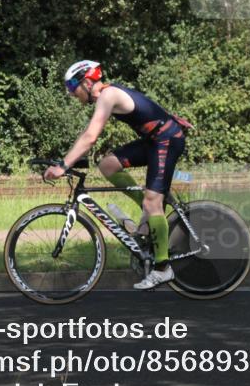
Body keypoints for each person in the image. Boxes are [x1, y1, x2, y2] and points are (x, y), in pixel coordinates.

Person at [43, 60, 189, 290]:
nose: (73, 95)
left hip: (166, 140)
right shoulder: (110, 91)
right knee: (108, 165)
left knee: (153, 202)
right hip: (155, 140)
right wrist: (170, 117)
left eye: (73, 89)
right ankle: (149, 214)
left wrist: (63, 165)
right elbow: (147, 106)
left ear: (87, 82)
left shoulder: (108, 95)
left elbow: (91, 136)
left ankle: (163, 268)